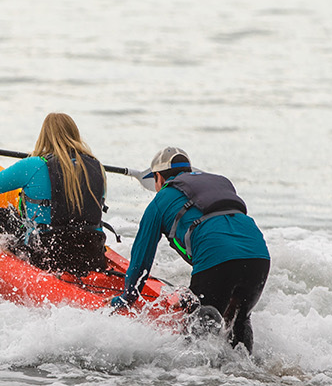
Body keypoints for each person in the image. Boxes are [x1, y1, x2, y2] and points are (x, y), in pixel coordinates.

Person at [115, 146, 269, 352]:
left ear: (158, 177)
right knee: (238, 319)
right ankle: (249, 376)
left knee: (199, 325)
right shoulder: (221, 183)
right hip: (258, 256)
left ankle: (197, 381)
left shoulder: (160, 200)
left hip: (218, 256)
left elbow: (141, 259)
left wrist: (127, 298)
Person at [0, 113, 108, 275]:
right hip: (91, 253)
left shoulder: (34, 165)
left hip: (47, 255)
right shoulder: (98, 167)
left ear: (44, 136)